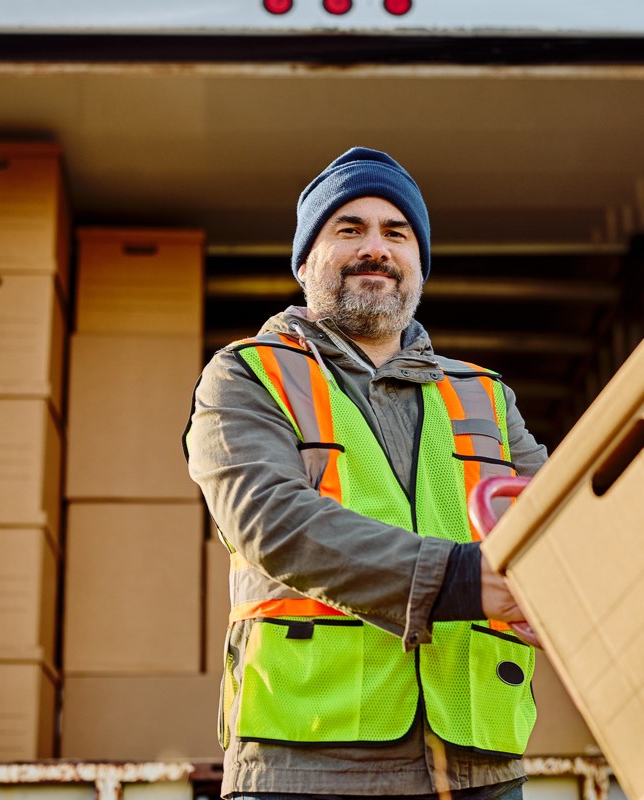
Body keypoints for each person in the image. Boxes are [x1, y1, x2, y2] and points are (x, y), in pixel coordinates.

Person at [183, 147, 547, 800]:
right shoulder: (246, 375)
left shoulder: (486, 395)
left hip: (481, 765)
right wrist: (461, 580)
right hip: (308, 767)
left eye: (397, 233)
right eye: (349, 228)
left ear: (419, 265)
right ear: (304, 263)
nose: (375, 247)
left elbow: (563, 526)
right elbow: (272, 523)